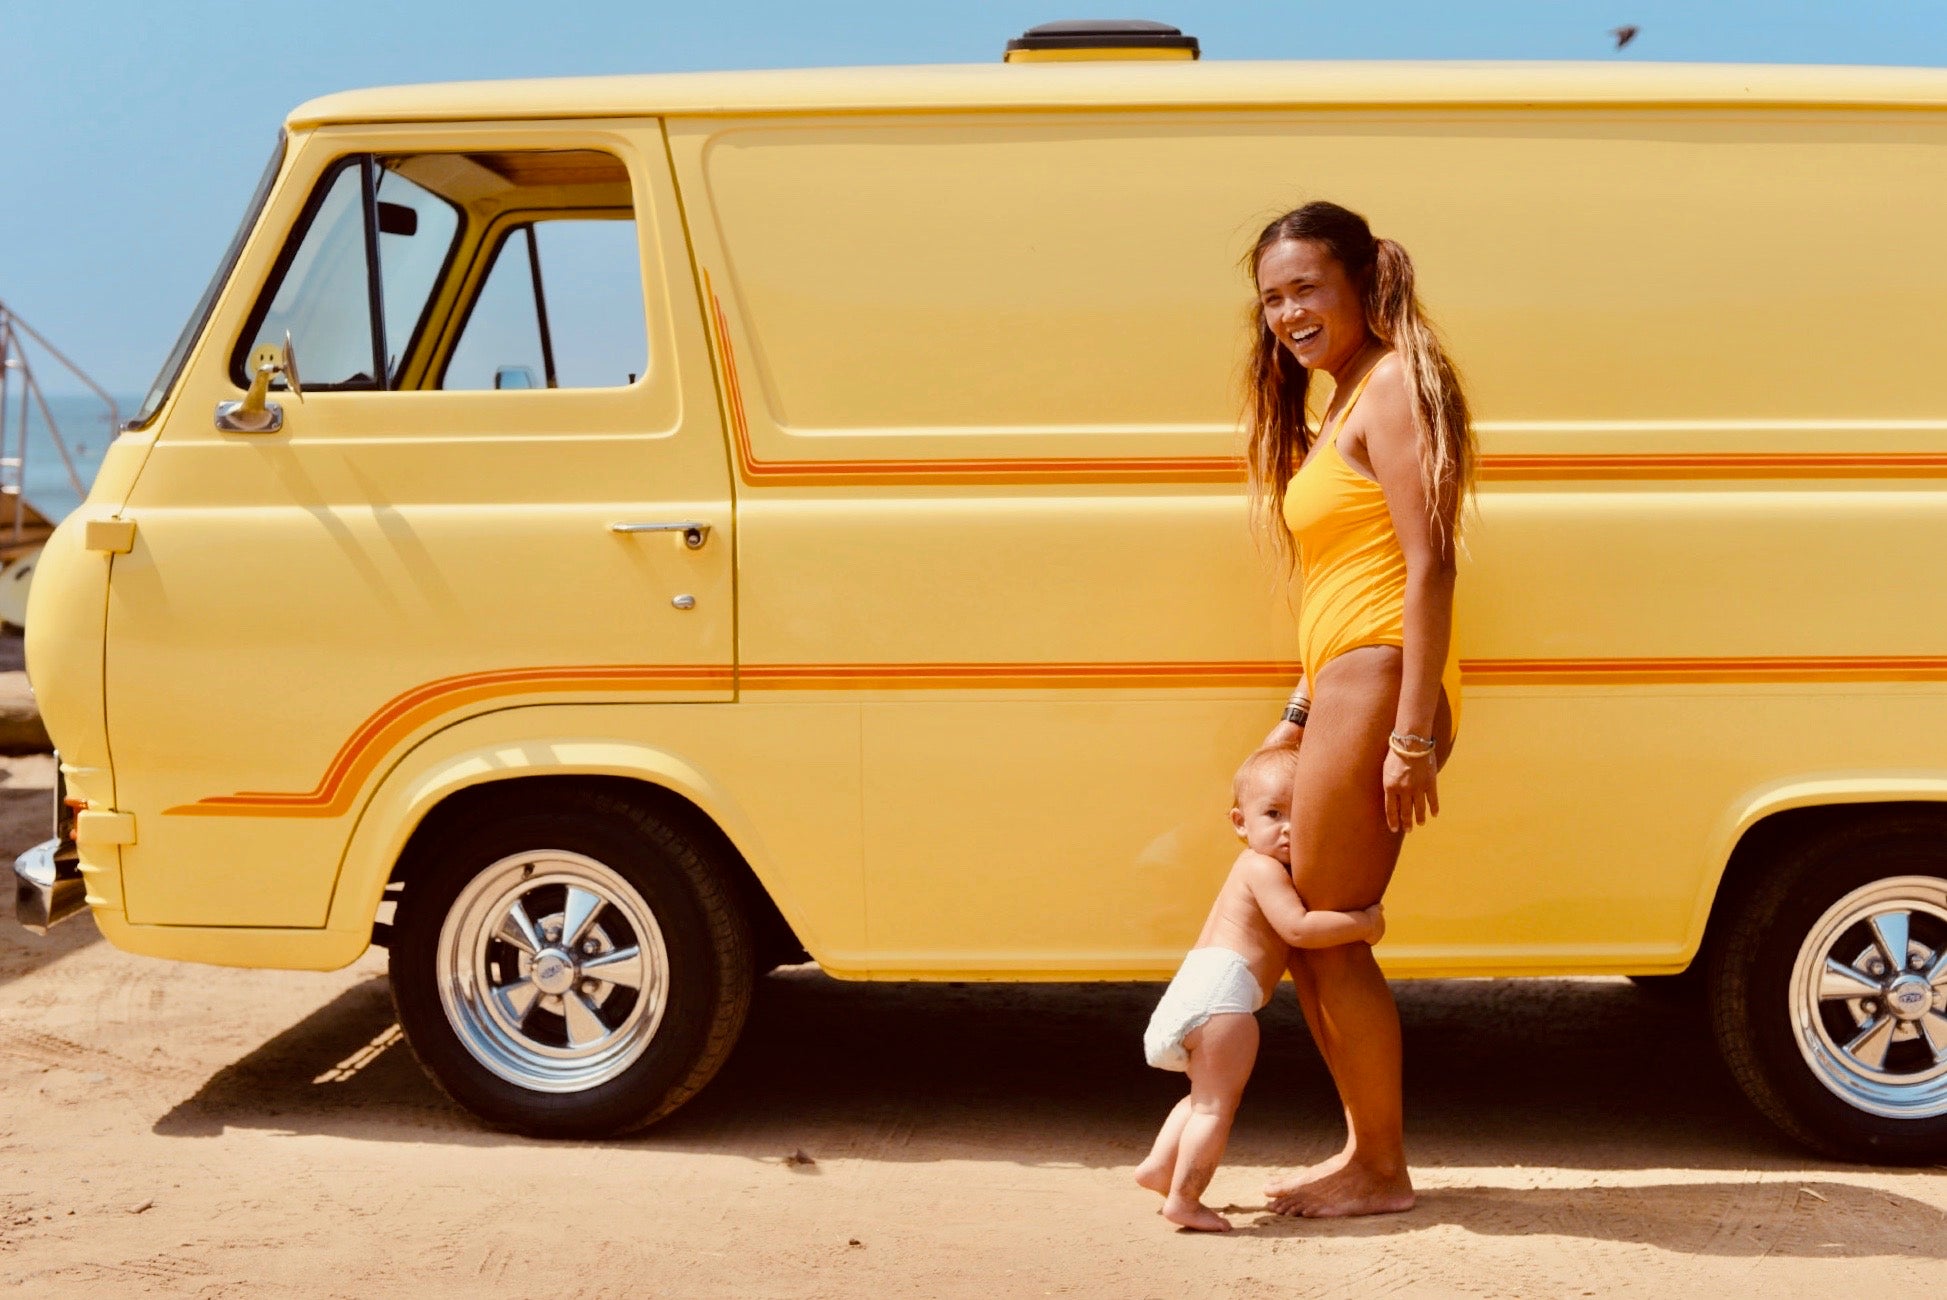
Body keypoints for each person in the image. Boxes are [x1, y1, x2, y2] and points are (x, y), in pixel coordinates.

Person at [1245, 201, 1476, 1218]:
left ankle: (1380, 1168)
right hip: (1347, 683)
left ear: (1357, 281)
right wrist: (1291, 720)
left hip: (1385, 684)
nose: (1288, 312)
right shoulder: (1337, 402)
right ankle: (1366, 1155)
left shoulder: (1391, 387)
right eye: (1271, 298)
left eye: (1305, 288)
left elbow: (1430, 565)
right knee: (1313, 933)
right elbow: (1339, 582)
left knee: (1329, 932)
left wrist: (1413, 735)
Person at [1135, 744, 1386, 1232]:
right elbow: (1299, 928)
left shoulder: (1247, 869)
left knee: (1200, 1096)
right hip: (1223, 1002)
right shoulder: (1262, 868)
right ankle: (1184, 1199)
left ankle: (1159, 1169)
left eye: (1303, 814)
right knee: (1215, 1108)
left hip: (1193, 994)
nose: (1289, 827)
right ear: (1240, 822)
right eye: (1273, 814)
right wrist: (1362, 922)